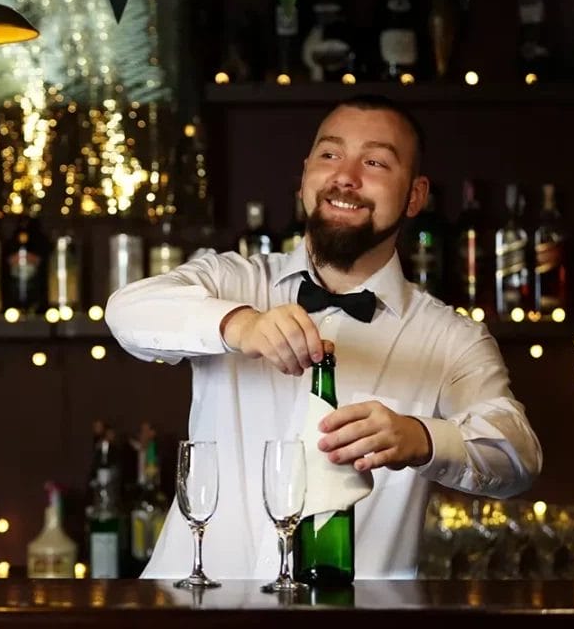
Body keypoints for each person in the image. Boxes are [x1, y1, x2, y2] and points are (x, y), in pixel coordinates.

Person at [104, 94, 542, 580]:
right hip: (191, 610)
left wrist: (420, 437)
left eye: (374, 161)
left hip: (353, 618)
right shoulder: (232, 281)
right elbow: (126, 311)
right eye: (330, 155)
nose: (346, 176)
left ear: (416, 196)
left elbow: (518, 456)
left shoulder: (452, 338)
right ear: (305, 173)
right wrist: (238, 324)